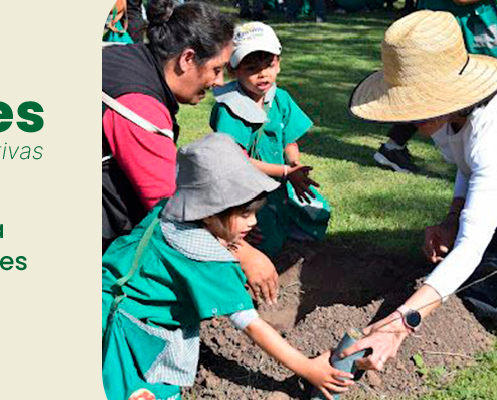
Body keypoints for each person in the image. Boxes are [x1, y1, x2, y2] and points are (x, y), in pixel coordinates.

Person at [339, 10, 497, 371]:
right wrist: (452, 218)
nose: (410, 115)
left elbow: (472, 238)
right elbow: (467, 163)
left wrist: (400, 324)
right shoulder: (448, 112)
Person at [101, 135, 354, 400]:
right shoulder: (204, 259)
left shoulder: (168, 212)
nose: (254, 222)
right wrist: (308, 368)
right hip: (131, 335)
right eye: (245, 214)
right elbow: (250, 323)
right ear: (208, 213)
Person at [102, 0, 235, 250]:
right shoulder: (138, 107)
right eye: (216, 69)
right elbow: (170, 209)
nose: (219, 81)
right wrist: (243, 252)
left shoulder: (125, 57)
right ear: (187, 58)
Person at [209, 22, 329, 260]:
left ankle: (285, 234)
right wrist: (285, 171)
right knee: (263, 237)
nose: (263, 74)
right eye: (252, 68)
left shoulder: (280, 98)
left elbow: (289, 140)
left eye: (269, 65)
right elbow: (237, 160)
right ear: (234, 70)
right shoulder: (230, 108)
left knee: (317, 210)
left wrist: (294, 165)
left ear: (279, 64)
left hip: (277, 183)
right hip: (244, 192)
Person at [371, 0, 497, 172]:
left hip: (461, 17)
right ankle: (488, 157)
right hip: (459, 20)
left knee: (483, 83)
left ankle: (394, 145)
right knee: (492, 83)